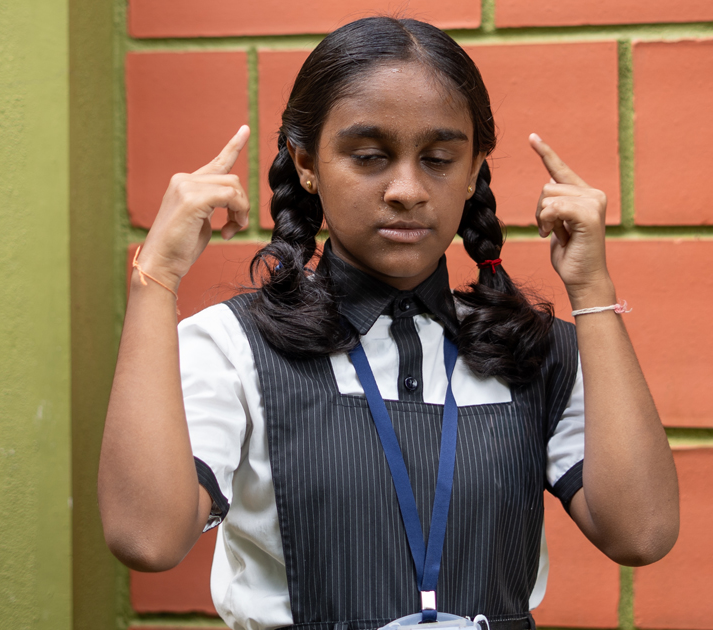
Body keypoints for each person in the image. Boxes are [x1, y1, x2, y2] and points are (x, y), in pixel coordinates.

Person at [99, 16, 679, 630]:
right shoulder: (234, 346)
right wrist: (156, 279)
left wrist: (592, 291)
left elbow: (640, 533)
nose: (406, 188)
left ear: (475, 167)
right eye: (369, 156)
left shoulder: (535, 349)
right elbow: (146, 538)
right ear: (306, 162)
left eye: (439, 158)